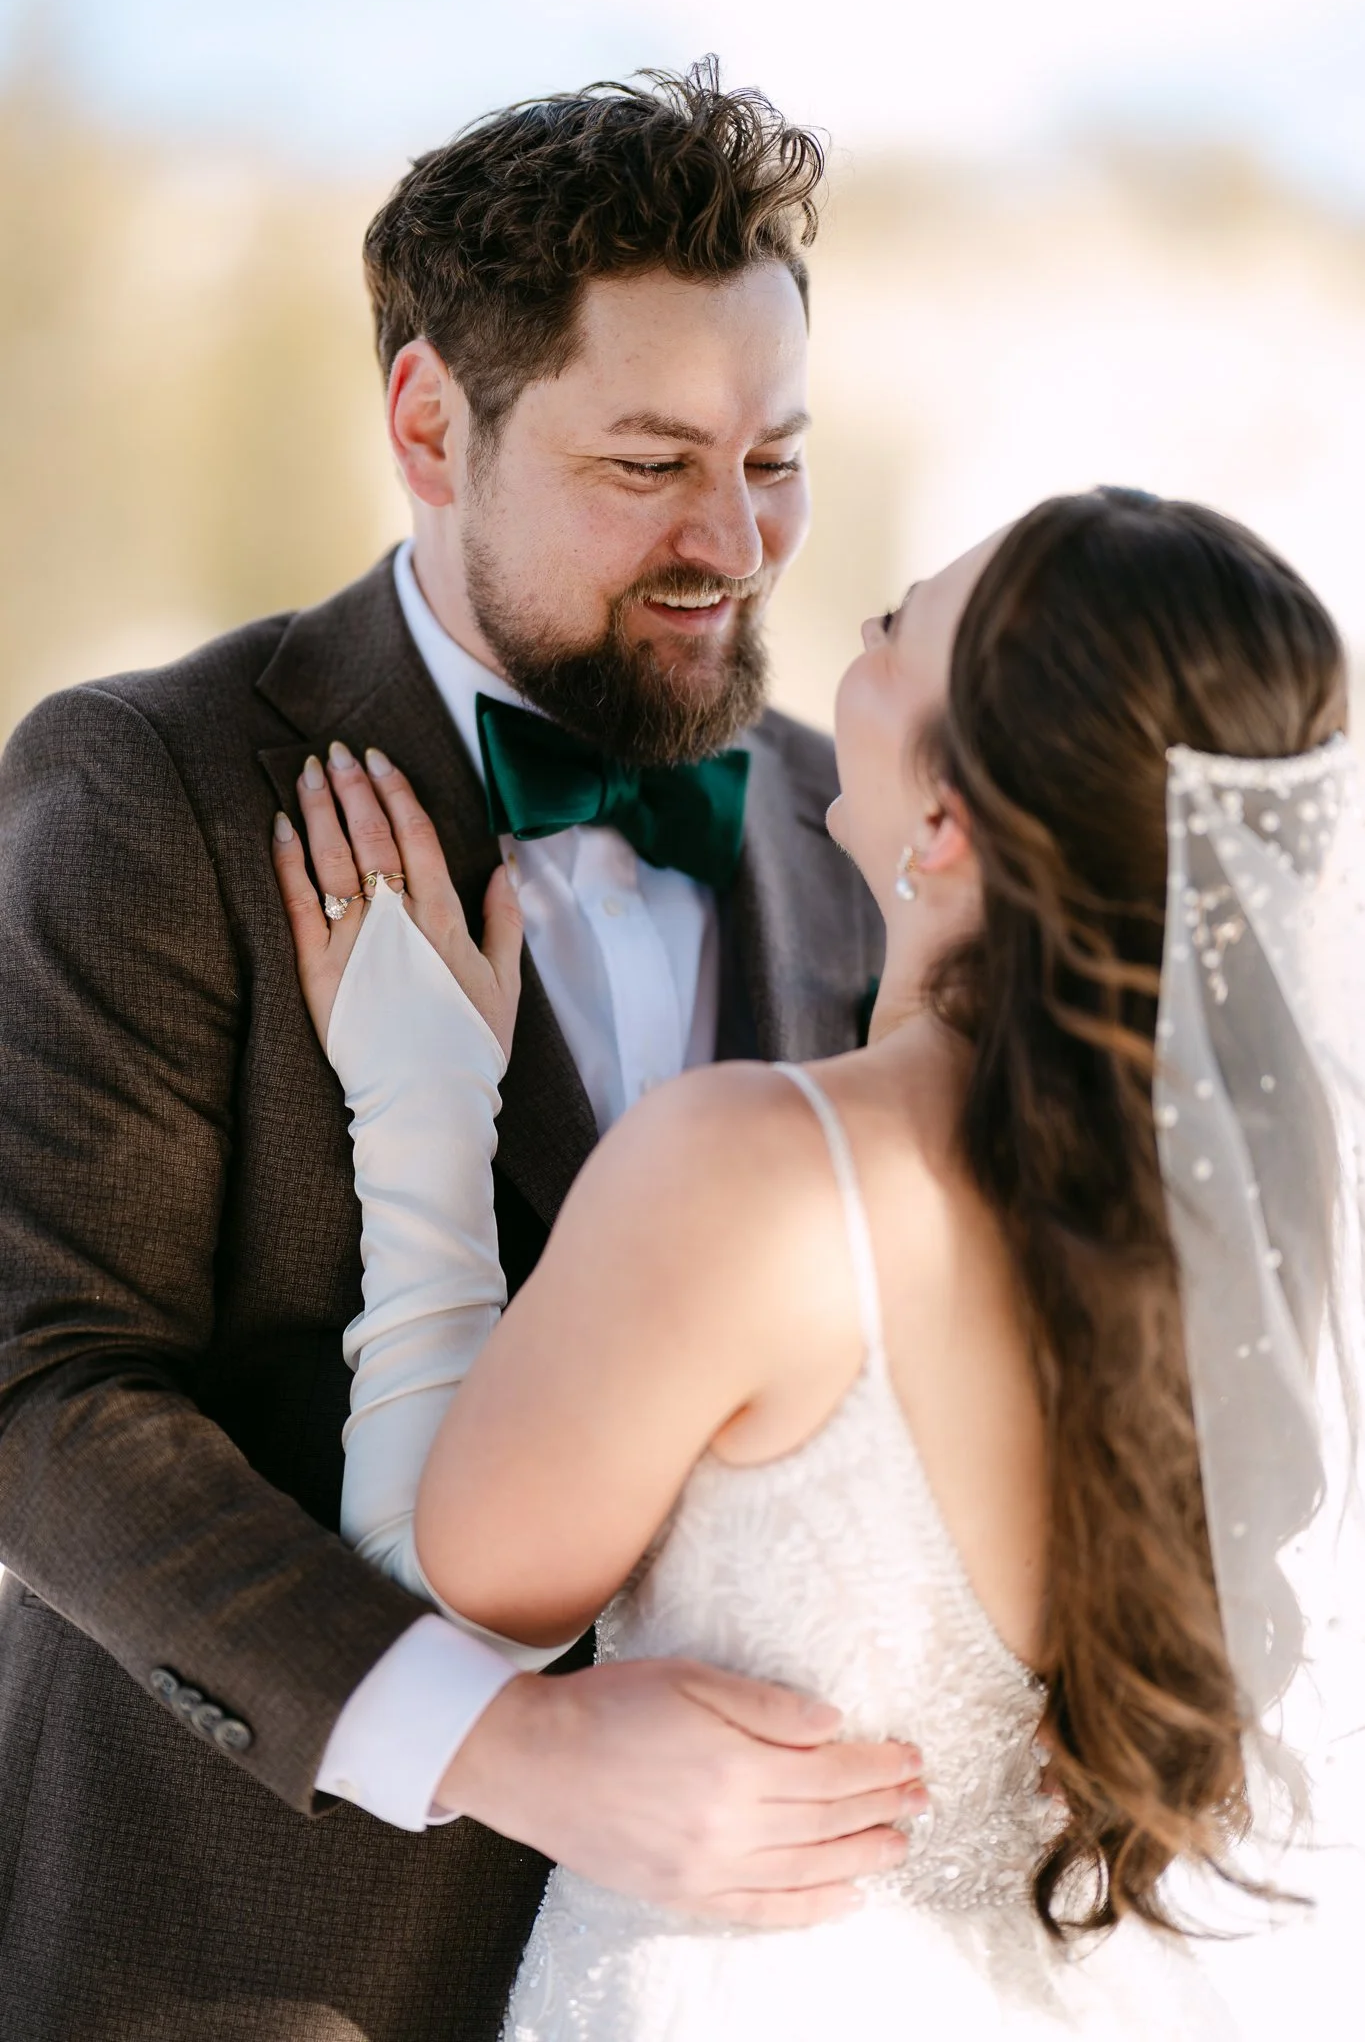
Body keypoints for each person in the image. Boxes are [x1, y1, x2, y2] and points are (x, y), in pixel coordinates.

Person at [0, 66, 923, 2042]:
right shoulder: (147, 784)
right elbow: (47, 1398)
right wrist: (499, 1738)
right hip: (252, 1971)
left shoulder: (859, 844)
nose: (736, 544)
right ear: (430, 422)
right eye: (649, 462)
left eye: (776, 455)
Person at [275, 485, 1355, 2037]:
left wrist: (421, 1101)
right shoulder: (1233, 1241)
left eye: (896, 628)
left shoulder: (760, 1177)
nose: (842, 631)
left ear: (946, 823)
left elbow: (448, 1594)